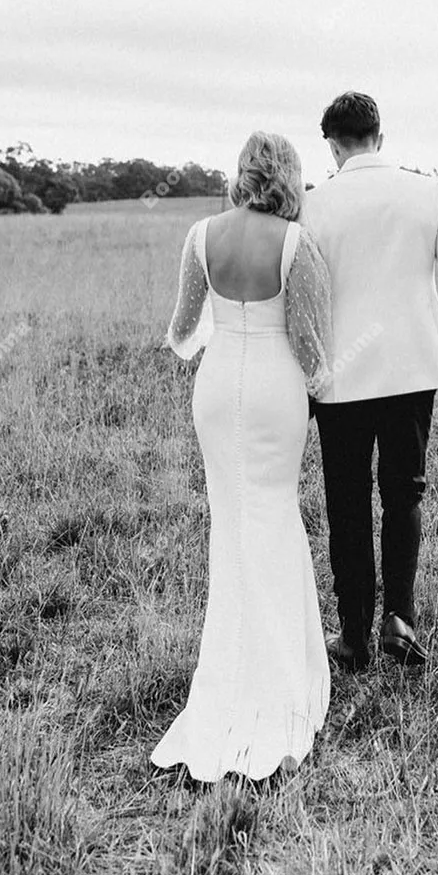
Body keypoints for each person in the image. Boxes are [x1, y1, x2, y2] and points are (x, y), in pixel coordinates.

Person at [151, 131, 334, 782]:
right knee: (276, 518)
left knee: (230, 525)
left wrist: (222, 333)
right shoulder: (297, 244)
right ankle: (280, 676)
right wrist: (328, 388)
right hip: (274, 394)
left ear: (240, 174)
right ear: (287, 176)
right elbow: (309, 344)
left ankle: (229, 674)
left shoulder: (201, 235)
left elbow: (179, 330)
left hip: (216, 391)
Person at [303, 92, 438, 670]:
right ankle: (399, 621)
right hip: (411, 372)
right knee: (405, 492)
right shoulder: (427, 192)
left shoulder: (313, 205)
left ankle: (353, 635)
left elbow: (301, 299)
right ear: (381, 135)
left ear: (332, 144)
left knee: (348, 502)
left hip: (340, 377)